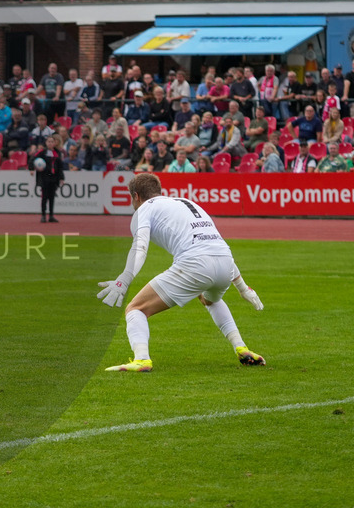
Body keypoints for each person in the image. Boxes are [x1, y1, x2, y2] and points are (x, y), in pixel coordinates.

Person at [97, 173, 266, 372]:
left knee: (136, 309)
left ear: (136, 196)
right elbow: (214, 246)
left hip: (195, 263)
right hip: (226, 263)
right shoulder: (187, 202)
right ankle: (241, 347)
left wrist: (124, 279)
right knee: (208, 299)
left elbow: (140, 246)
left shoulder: (144, 209)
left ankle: (141, 360)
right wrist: (243, 288)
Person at [29, 135, 65, 223]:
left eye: (52, 142)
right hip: (44, 177)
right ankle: (43, 215)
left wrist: (61, 178)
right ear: (46, 143)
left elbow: (60, 167)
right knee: (44, 197)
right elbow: (32, 159)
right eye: (48, 141)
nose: (50, 143)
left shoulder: (57, 153)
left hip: (54, 178)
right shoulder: (42, 152)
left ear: (54, 143)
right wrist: (31, 169)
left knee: (52, 197)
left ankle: (51, 215)